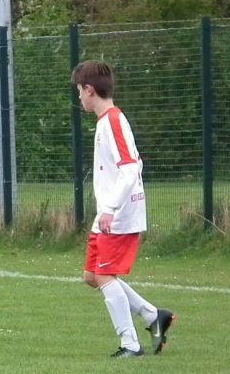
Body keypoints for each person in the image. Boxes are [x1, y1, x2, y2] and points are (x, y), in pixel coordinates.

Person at [71, 60, 175, 358]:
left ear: (89, 90)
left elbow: (130, 169)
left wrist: (110, 208)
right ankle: (153, 315)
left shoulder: (114, 121)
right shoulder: (106, 122)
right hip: (108, 213)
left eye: (79, 90)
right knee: (92, 276)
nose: (79, 96)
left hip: (118, 215)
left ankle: (130, 344)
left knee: (105, 276)